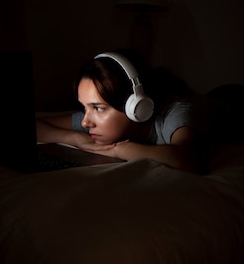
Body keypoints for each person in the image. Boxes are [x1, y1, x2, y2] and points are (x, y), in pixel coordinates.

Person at [35, 49, 215, 174]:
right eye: (85, 107)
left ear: (136, 107)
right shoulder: (95, 121)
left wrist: (121, 150)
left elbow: (190, 160)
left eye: (98, 108)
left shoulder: (175, 114)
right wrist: (75, 138)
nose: (85, 122)